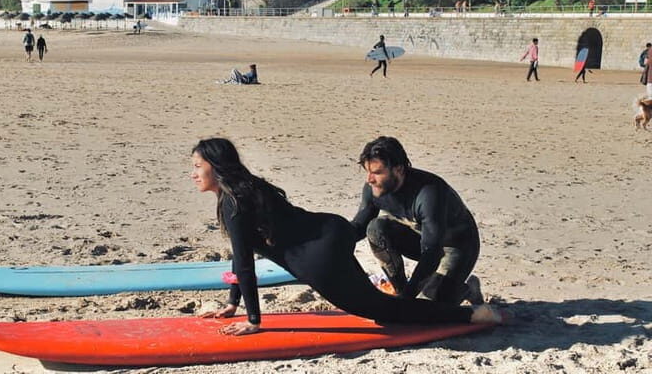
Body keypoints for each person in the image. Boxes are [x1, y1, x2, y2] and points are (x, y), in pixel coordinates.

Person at [192, 138, 502, 336]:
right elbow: (240, 255)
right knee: (377, 238)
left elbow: (245, 264)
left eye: (197, 166)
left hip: (453, 246)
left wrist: (253, 321)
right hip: (331, 231)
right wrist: (233, 303)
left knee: (388, 314)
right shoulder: (247, 187)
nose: (193, 173)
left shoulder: (429, 194)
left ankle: (473, 314)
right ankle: (406, 293)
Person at [351, 136, 483, 306]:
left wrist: (409, 300)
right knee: (375, 229)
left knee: (429, 306)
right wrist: (330, 240)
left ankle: (467, 289)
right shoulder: (374, 188)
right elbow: (358, 227)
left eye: (377, 173)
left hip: (456, 246)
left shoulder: (429, 194)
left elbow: (432, 253)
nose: (369, 179)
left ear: (398, 170)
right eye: (367, 171)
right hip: (421, 238)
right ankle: (399, 289)